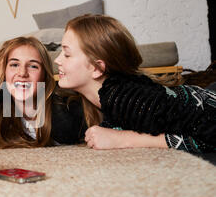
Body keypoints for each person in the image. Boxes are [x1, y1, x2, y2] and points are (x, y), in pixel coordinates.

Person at [54, 14, 216, 153]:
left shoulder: (126, 99)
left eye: (67, 54)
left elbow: (210, 134)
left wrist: (125, 139)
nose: (57, 60)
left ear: (97, 68)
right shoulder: (108, 96)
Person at [0, 36, 86, 148]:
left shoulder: (65, 105)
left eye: (33, 66)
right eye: (14, 65)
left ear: (44, 75)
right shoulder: (0, 109)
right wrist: (4, 86)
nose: (22, 73)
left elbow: (69, 136)